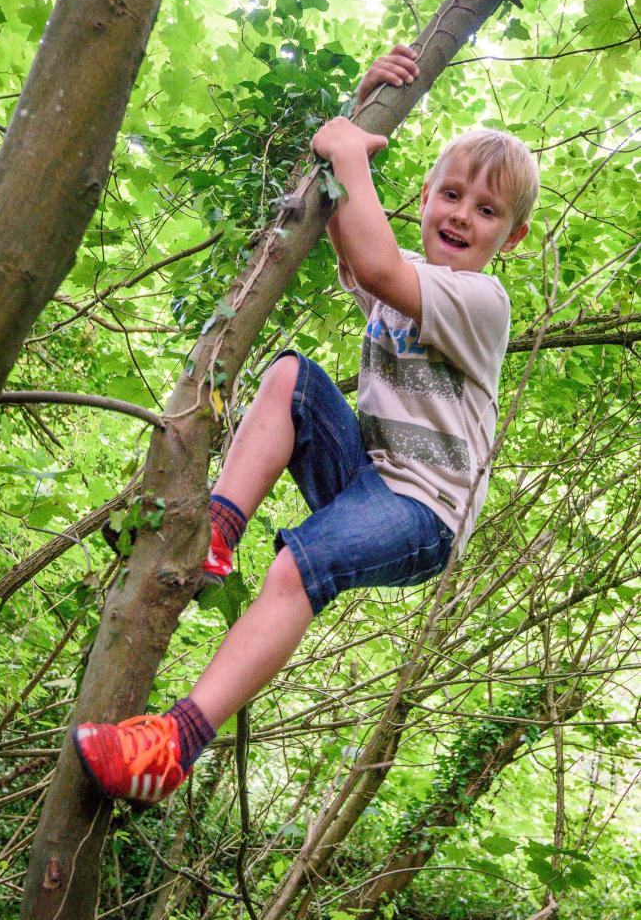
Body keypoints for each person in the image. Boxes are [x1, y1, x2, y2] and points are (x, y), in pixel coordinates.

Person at [73, 45, 539, 806]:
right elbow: (346, 230)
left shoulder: (478, 302)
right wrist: (358, 111)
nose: (461, 215)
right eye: (450, 194)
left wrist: (350, 150)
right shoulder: (403, 281)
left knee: (301, 564)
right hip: (367, 474)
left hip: (423, 512)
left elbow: (378, 260)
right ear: (422, 195)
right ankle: (212, 533)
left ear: (510, 237)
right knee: (292, 375)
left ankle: (175, 744)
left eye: (486, 211)